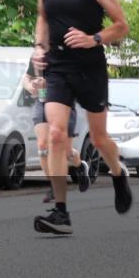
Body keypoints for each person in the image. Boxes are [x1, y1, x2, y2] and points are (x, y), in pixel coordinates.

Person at [32, 0, 131, 235]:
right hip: (57, 67)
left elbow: (122, 26)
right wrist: (39, 48)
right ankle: (61, 212)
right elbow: (43, 19)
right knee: (56, 134)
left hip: (90, 67)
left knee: (100, 139)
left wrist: (93, 38)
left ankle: (117, 172)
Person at [22, 60, 90, 203]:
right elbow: (27, 78)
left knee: (64, 152)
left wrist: (51, 84)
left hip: (62, 102)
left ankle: (80, 166)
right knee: (42, 146)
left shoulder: (68, 52)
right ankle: (55, 186)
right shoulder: (38, 54)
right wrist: (31, 86)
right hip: (41, 101)